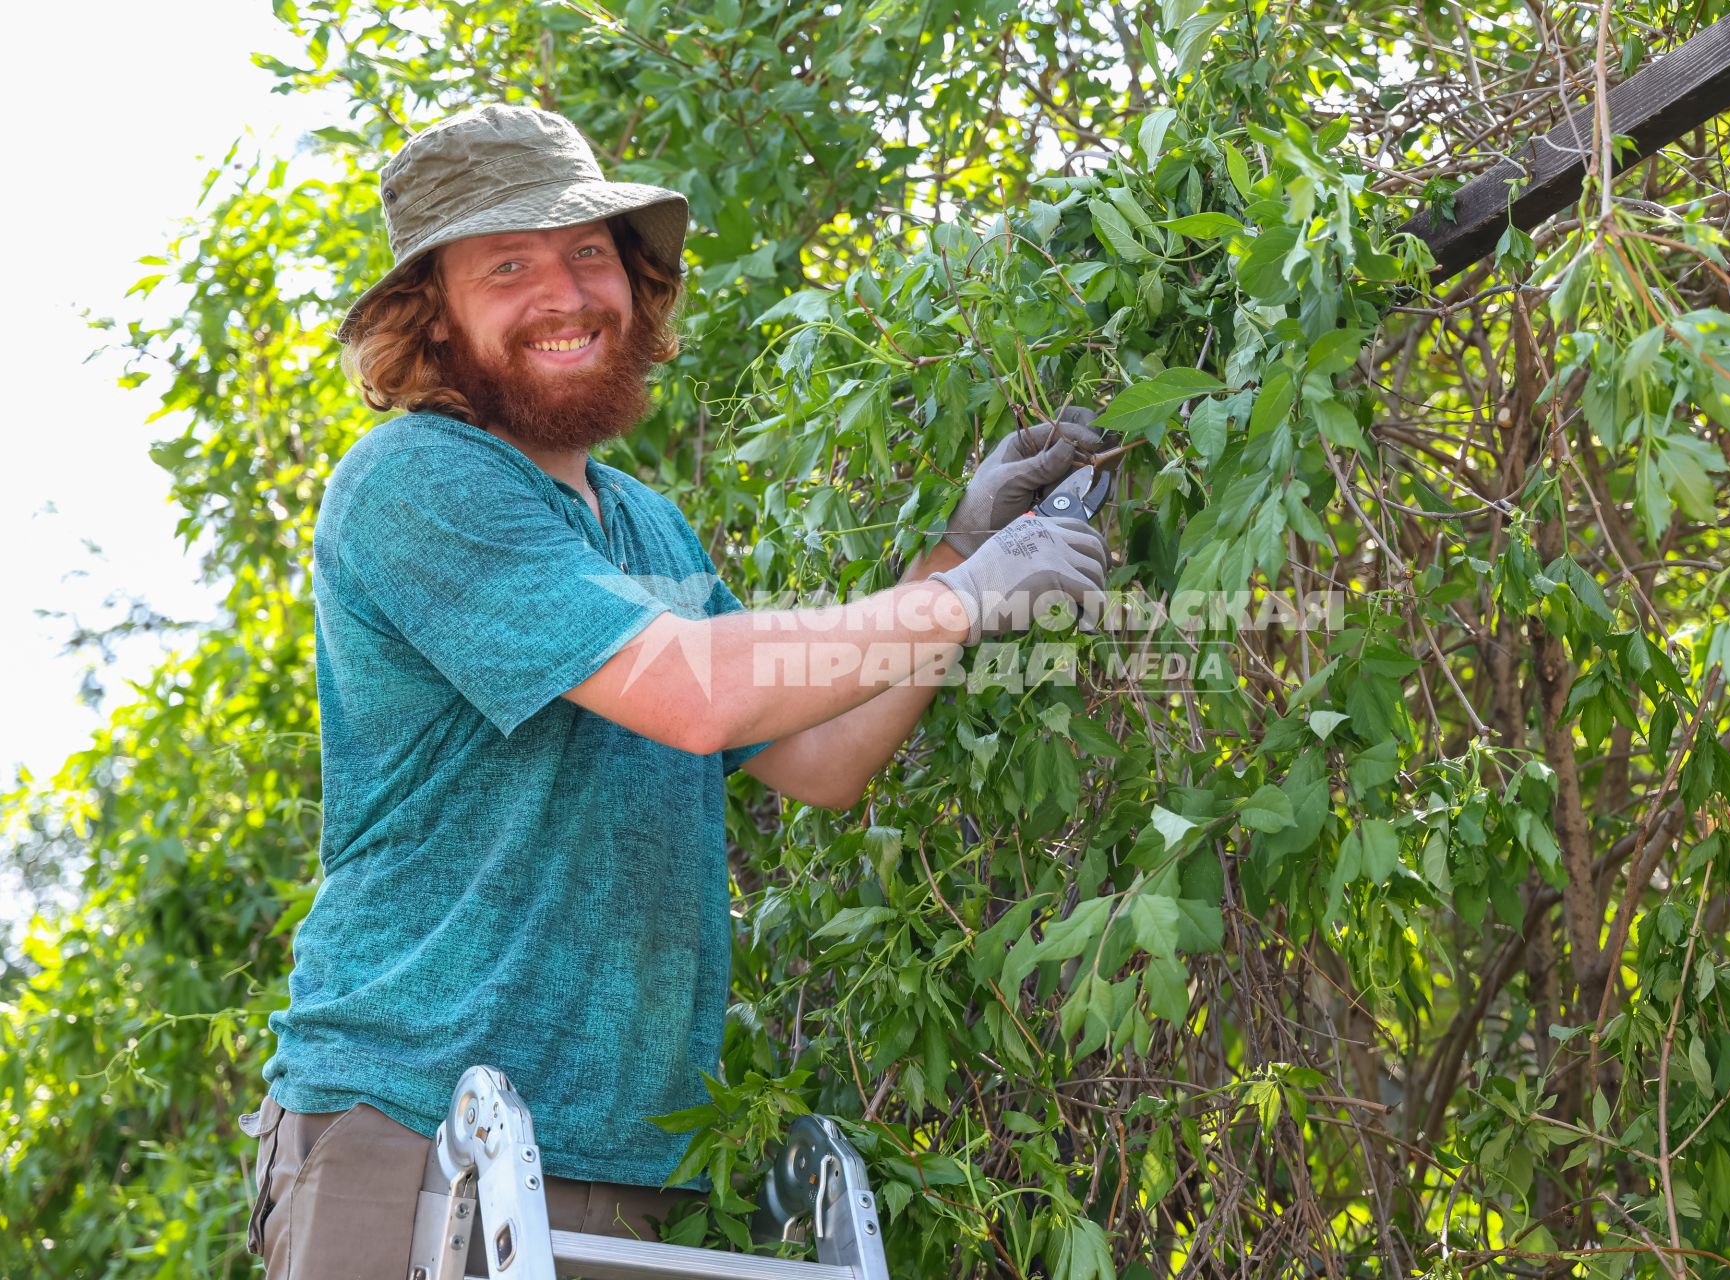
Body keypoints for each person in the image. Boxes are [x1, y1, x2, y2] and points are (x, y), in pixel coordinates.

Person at [239, 102, 1108, 1278]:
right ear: (430, 317)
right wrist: (970, 599)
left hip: (621, 1162)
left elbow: (822, 756)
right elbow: (692, 691)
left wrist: (957, 550)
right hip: (414, 1131)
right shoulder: (414, 482)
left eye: (589, 251)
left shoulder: (643, 522)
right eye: (509, 265)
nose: (567, 291)